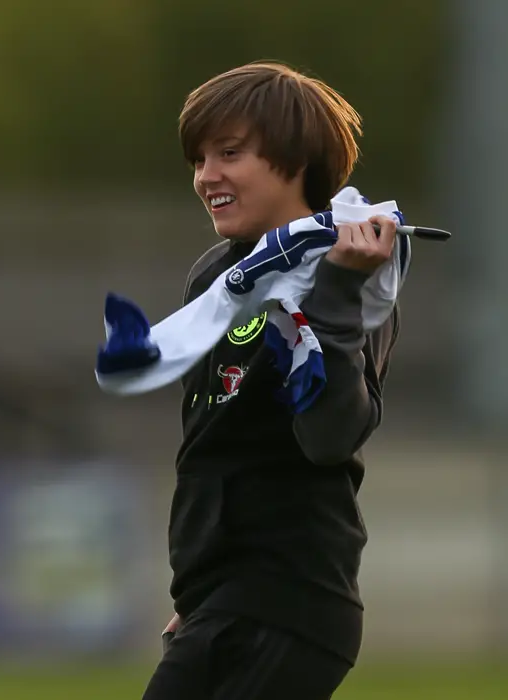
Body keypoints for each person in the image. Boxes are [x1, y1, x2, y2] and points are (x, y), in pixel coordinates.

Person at [141, 62, 401, 699]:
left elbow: (329, 434)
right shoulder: (215, 277)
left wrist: (338, 290)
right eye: (199, 159)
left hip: (290, 598)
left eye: (230, 153)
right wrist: (201, 589)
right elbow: (211, 438)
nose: (207, 176)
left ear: (296, 160)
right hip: (223, 599)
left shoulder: (342, 277)